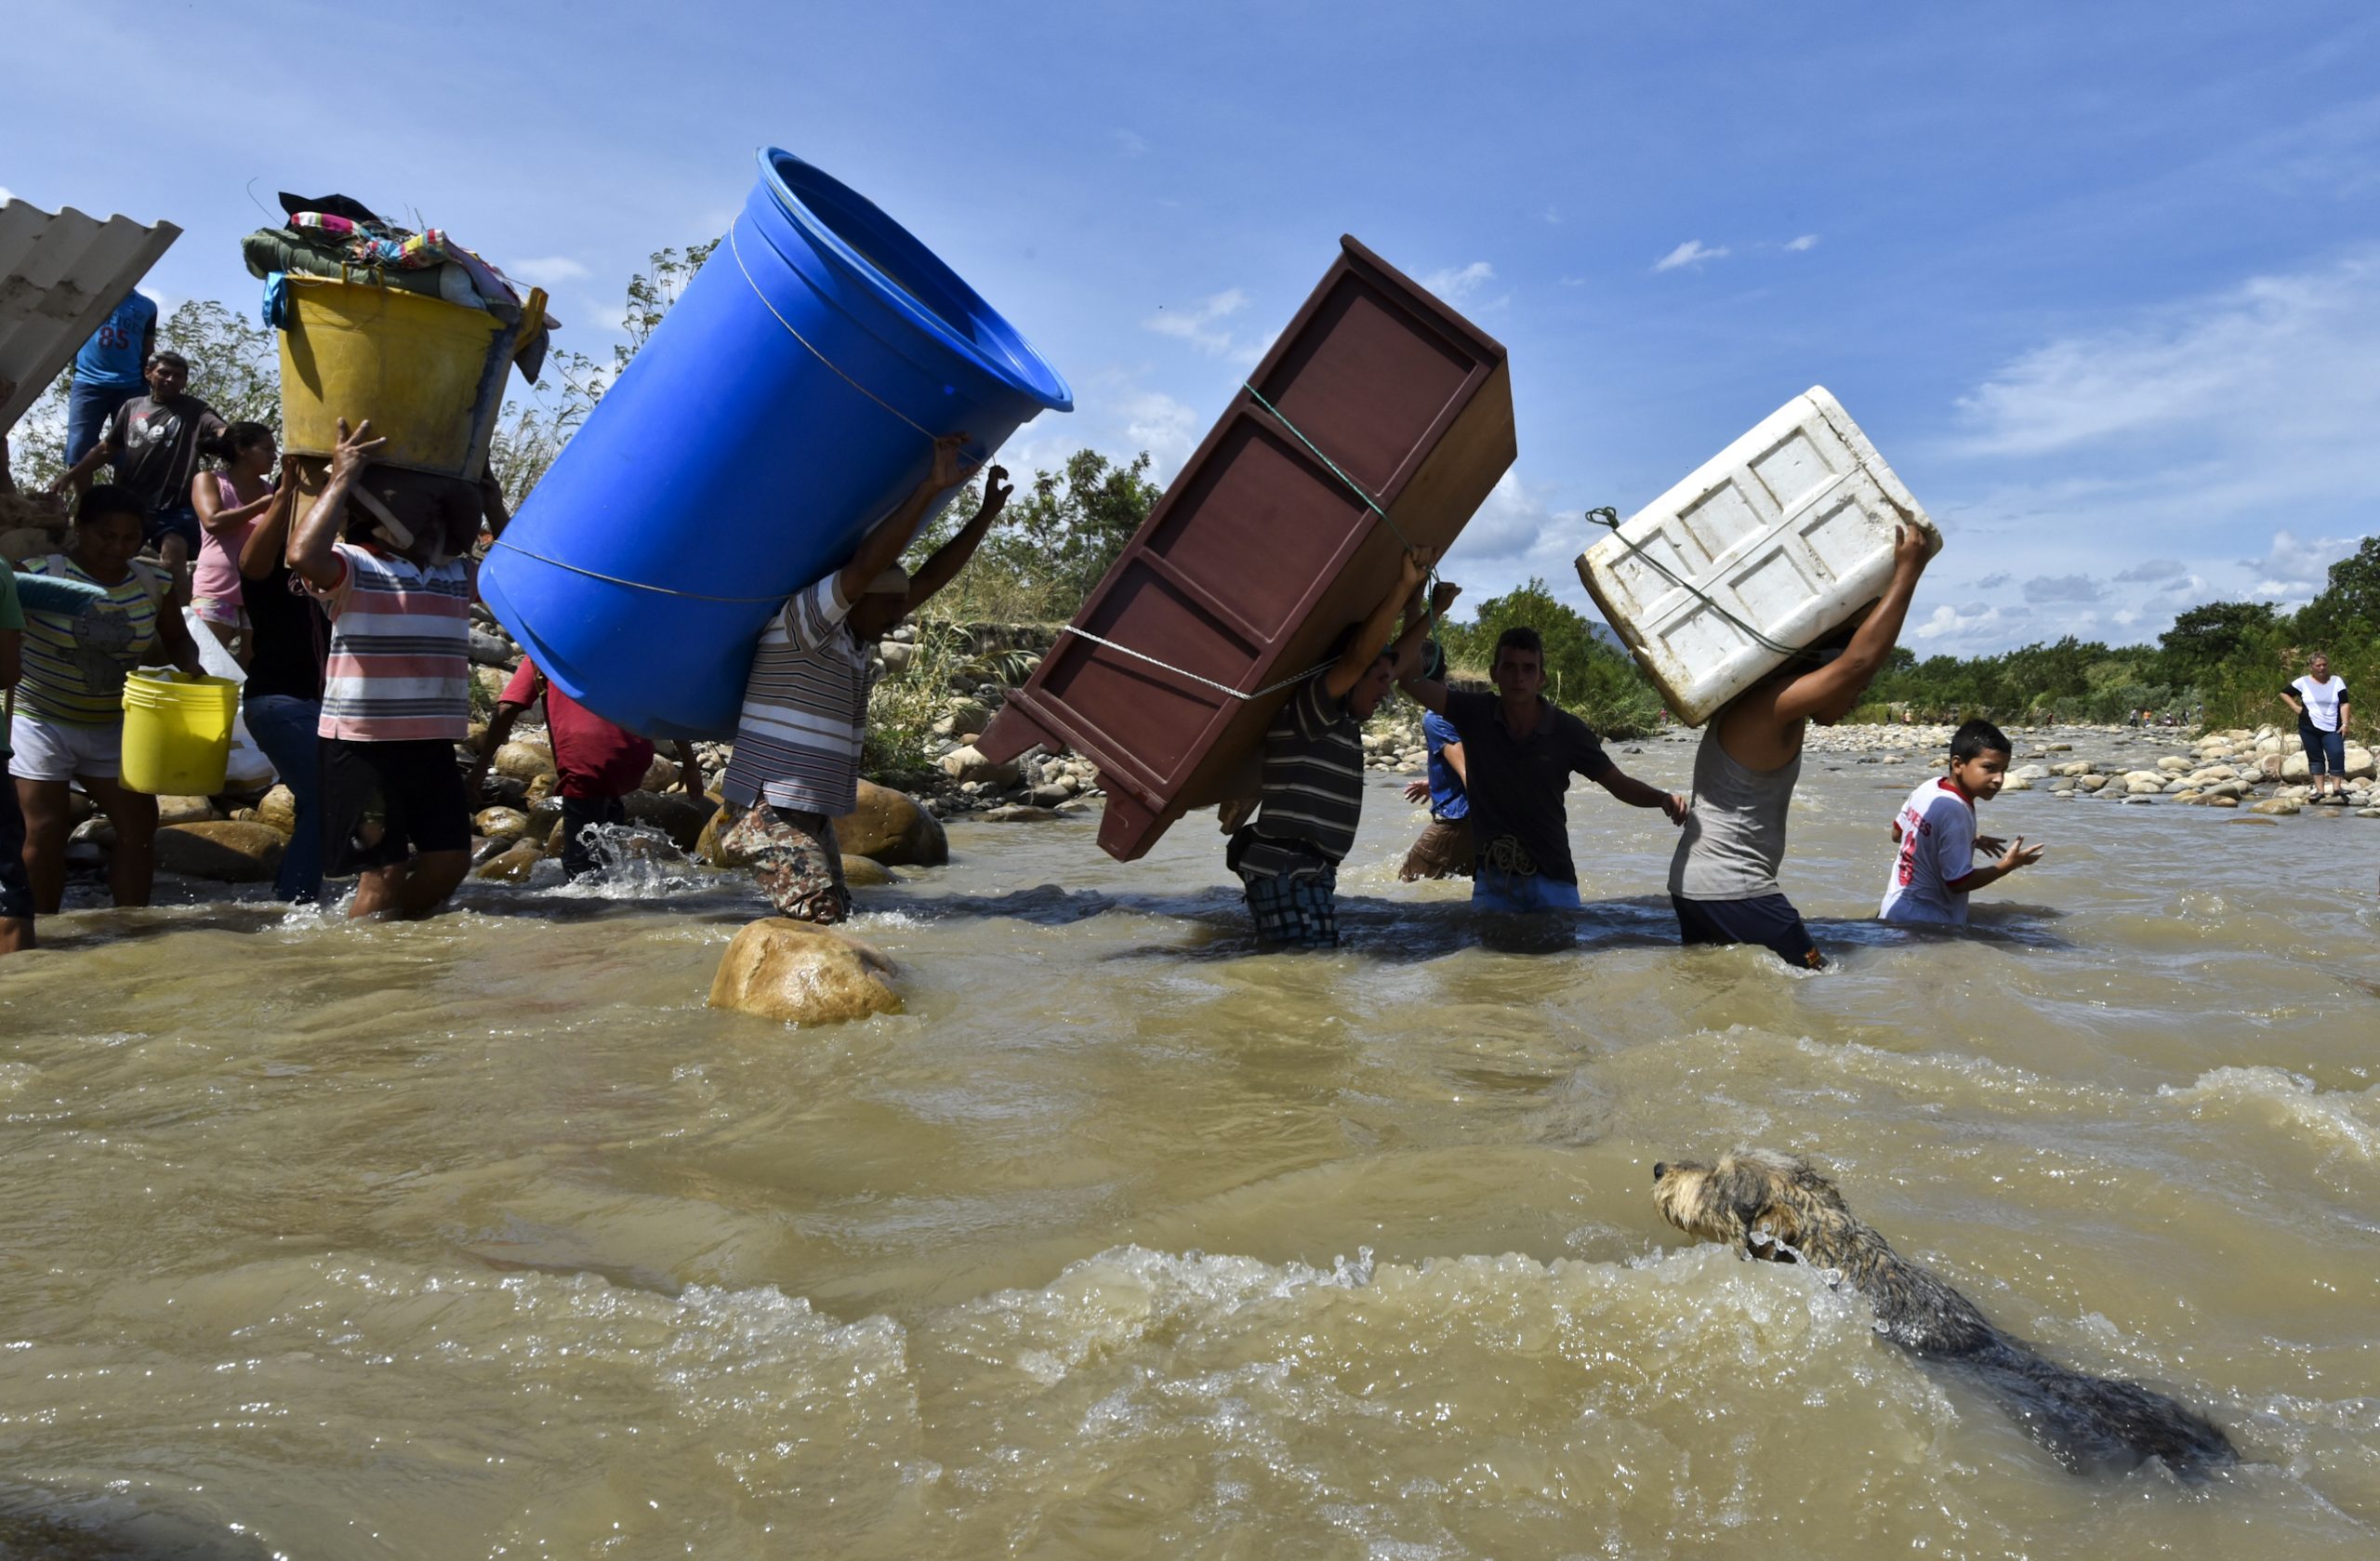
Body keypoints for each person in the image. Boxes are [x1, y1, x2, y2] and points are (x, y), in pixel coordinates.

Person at [720, 433, 1011, 923]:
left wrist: (985, 514)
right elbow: (866, 565)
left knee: (837, 923)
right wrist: (928, 488)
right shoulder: (805, 624)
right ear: (855, 599)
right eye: (892, 606)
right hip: (767, 813)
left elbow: (932, 577)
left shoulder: (856, 638)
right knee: (819, 923)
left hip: (809, 816)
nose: (901, 616)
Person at [1667, 523, 1931, 968]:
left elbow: (1850, 667)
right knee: (1817, 983)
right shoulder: (1768, 707)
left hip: (1700, 889)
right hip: (1735, 889)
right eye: (1856, 692)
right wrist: (1908, 572)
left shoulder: (1762, 706)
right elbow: (1856, 663)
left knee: (1723, 993)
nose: (1853, 701)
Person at [287, 418, 475, 919]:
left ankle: (393, 952)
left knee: (450, 863)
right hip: (363, 746)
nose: (437, 520)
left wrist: (487, 492)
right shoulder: (355, 565)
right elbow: (303, 554)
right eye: (428, 511)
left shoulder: (454, 573)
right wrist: (342, 477)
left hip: (429, 743)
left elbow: (512, 570)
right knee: (383, 871)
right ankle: (366, 975)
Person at [1225, 559, 1446, 947]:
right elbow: (1360, 657)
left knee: (1306, 975)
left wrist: (1432, 611)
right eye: (1378, 681)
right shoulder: (1314, 708)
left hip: (1308, 871)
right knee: (1302, 976)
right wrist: (1401, 586)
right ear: (1349, 674)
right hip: (1287, 868)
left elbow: (1386, 663)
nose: (1387, 690)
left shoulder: (1342, 718)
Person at [9, 486, 208, 913]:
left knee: (139, 827)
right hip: (39, 719)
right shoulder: (39, 573)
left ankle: (133, 929)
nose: (118, 547)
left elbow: (177, 640)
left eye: (129, 537)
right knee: (43, 829)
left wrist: (195, 675)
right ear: (80, 529)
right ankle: (38, 929)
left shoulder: (153, 581)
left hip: (113, 722)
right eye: (106, 535)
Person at [1399, 618, 1686, 914]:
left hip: (1554, 881)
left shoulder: (1568, 731)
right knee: (1490, 960)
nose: (1518, 677)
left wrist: (1662, 798)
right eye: (1509, 667)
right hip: (1494, 883)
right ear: (1494, 673)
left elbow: (1618, 783)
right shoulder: (1475, 714)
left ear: (1541, 679)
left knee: (1561, 961)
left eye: (1528, 668)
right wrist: (1416, 603)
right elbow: (1410, 681)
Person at [470, 660, 705, 880]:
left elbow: (508, 708)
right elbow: (665, 704)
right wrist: (690, 764)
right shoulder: (621, 645)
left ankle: (590, 913)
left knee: (580, 868)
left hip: (586, 758)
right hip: (632, 753)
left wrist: (480, 769)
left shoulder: (543, 651)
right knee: (606, 848)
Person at [50, 351, 226, 598]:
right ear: (148, 374)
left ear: (185, 381)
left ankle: (188, 623)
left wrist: (231, 436)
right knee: (110, 554)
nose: (170, 379)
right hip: (133, 503)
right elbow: (106, 449)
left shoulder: (196, 410)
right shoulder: (132, 407)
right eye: (164, 373)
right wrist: (71, 475)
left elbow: (220, 429)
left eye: (178, 376)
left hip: (175, 505)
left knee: (173, 556)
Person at [235, 479, 328, 903]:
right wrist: (288, 489)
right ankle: (298, 900)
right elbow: (249, 562)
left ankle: (291, 895)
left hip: (323, 705)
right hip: (278, 701)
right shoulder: (270, 566)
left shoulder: (334, 567)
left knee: (316, 802)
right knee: (325, 796)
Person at [1880, 718, 2045, 925]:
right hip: (1927, 925)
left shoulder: (1929, 787)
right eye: (1989, 768)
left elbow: (1898, 834)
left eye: (2003, 770)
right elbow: (1958, 882)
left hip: (1894, 908)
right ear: (1958, 764)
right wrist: (2008, 864)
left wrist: (1970, 840)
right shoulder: (1956, 810)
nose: (1999, 779)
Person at [190, 421, 281, 664]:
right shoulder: (209, 481)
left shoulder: (271, 491)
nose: (274, 456)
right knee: (206, 665)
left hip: (258, 592)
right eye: (267, 449)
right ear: (242, 449)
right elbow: (213, 521)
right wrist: (263, 505)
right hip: (215, 589)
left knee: (255, 666)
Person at [1397, 644, 1472, 881]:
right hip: (1469, 821)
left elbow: (1469, 773)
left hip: (1455, 821)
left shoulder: (1435, 718)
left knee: (1407, 885)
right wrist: (1436, 784)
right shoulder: (1462, 705)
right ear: (1446, 669)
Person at [64, 290, 158, 469]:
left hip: (131, 385)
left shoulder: (147, 306)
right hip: (88, 380)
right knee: (79, 447)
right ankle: (85, 497)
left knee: (131, 448)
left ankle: (121, 496)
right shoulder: (90, 294)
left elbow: (148, 347)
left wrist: (151, 380)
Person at [2281, 652, 2351, 801]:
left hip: (2333, 726)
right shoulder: (2302, 682)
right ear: (2311, 667)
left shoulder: (2336, 681)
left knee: (2337, 753)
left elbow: (2344, 703)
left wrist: (2345, 723)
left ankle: (2337, 788)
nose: (2322, 668)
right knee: (2315, 757)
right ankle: (2320, 791)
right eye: (2318, 665)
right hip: (2308, 726)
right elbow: (2284, 693)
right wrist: (2295, 708)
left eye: (2324, 665)